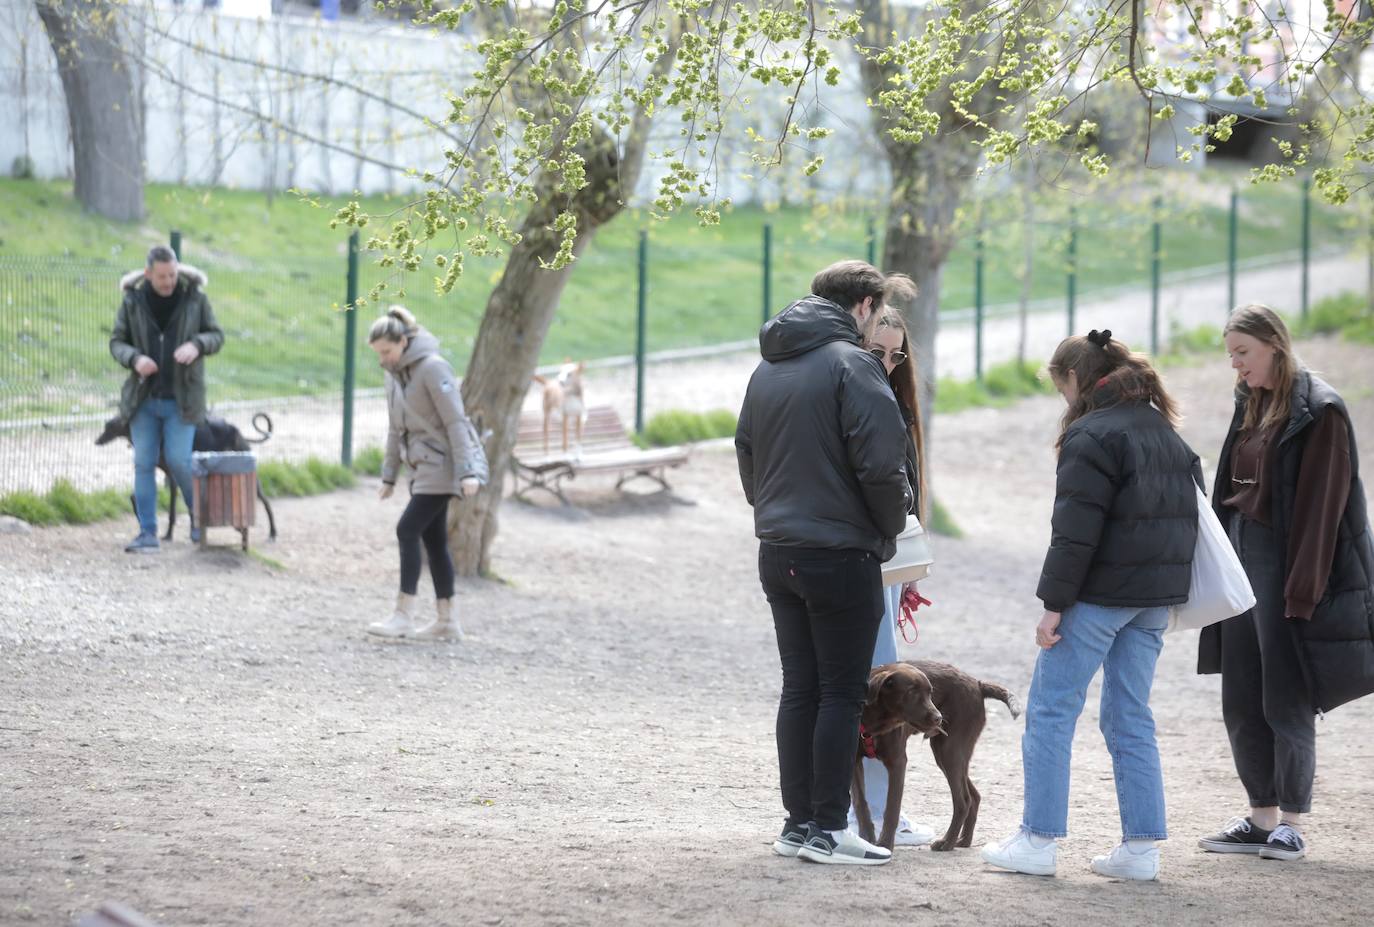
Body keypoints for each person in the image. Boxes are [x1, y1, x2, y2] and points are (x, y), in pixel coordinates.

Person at [981, 329, 1200, 881]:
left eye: (1060, 387)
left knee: (1051, 711)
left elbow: (1074, 534)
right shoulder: (1166, 432)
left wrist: (1054, 605)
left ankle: (1038, 839)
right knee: (1130, 716)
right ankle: (1141, 850)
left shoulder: (1090, 436)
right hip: (1153, 602)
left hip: (1101, 597)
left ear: (1074, 379)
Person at [736, 260, 914, 866]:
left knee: (801, 689)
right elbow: (882, 465)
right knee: (841, 693)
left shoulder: (770, 365)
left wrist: (774, 513)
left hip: (778, 550)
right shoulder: (853, 365)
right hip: (840, 553)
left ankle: (797, 824)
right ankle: (830, 827)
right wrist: (891, 527)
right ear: (865, 305)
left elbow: (747, 452)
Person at [1197, 305, 1374, 862]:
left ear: (1274, 344)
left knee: (1286, 693)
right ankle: (1259, 817)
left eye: (1242, 352)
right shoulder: (1249, 401)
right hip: (1241, 555)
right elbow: (1229, 483)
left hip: (1286, 561)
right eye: (1230, 354)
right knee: (1241, 691)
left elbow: (1325, 510)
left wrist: (1303, 590)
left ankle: (1291, 823)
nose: (1236, 365)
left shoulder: (1320, 411)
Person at [847, 303, 936, 847]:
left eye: (894, 354)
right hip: (865, 558)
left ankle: (876, 809)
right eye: (875, 351)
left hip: (888, 559)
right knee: (877, 690)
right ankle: (879, 812)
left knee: (879, 683)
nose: (885, 361)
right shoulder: (862, 402)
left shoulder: (894, 405)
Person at [366, 306, 489, 642]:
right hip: (420, 468)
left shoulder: (433, 369)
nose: (383, 360)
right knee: (434, 542)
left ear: (404, 342)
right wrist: (389, 476)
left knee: (407, 529)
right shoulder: (394, 376)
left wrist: (467, 471)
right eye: (378, 354)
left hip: (444, 466)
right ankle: (447, 622)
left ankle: (403, 615)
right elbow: (395, 428)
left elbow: (456, 421)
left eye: (387, 352)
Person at [110, 245, 225, 553]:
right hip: (143, 399)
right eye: (162, 276)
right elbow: (116, 342)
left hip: (182, 399)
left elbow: (217, 336)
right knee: (143, 463)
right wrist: (134, 359)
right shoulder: (132, 301)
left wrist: (197, 345)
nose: (169, 282)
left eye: (172, 274)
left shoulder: (195, 299)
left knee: (179, 460)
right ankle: (147, 533)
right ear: (148, 274)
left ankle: (199, 522)